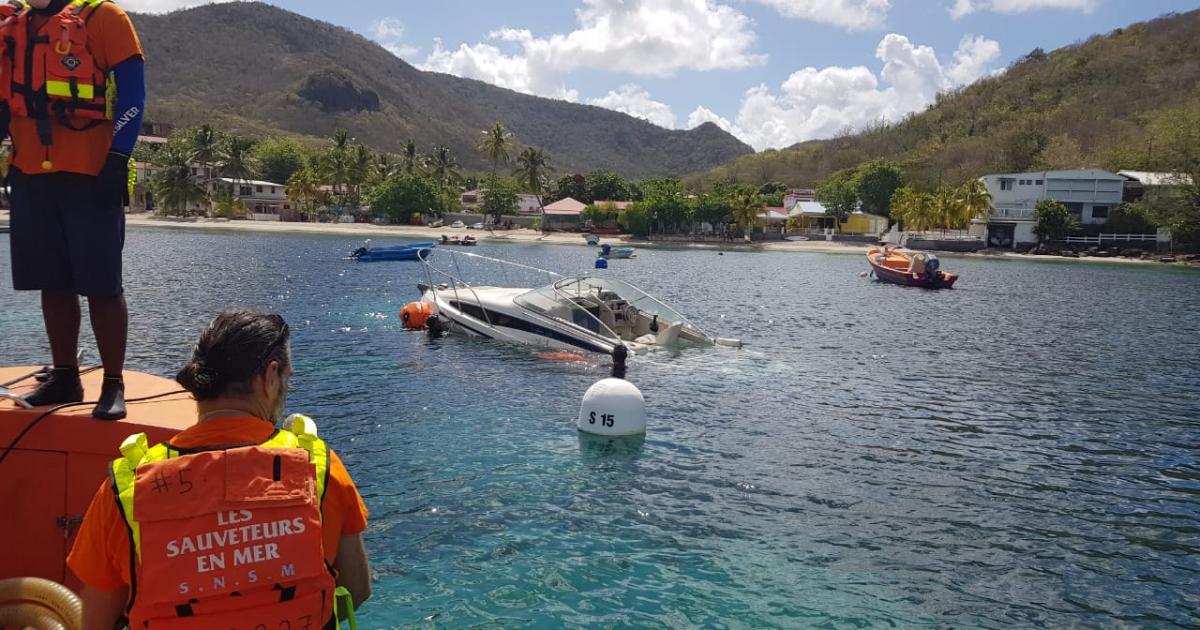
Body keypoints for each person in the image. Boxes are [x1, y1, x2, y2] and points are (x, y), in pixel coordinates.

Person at [67, 311, 371, 629]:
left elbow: (97, 622)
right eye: (288, 377)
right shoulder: (319, 469)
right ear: (270, 376)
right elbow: (357, 589)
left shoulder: (127, 487)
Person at [3, 0, 147, 419]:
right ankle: (66, 376)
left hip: (91, 173)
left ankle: (113, 383)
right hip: (29, 171)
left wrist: (118, 158)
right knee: (52, 281)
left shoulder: (106, 19)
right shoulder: (14, 26)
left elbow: (134, 95)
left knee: (102, 284)